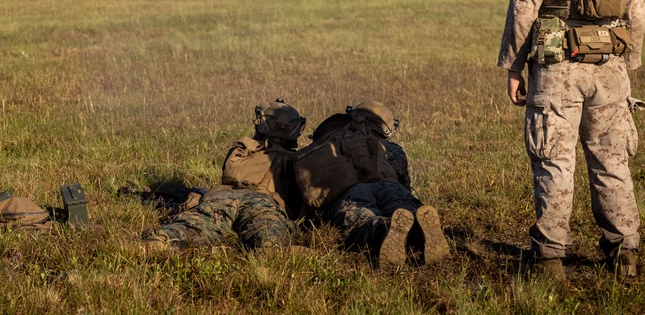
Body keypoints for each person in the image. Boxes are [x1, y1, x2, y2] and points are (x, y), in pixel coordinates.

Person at [498, 0, 645, 281]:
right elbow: (637, 12)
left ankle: (548, 259)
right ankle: (625, 254)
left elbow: (523, 12)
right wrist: (628, 62)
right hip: (611, 67)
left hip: (557, 69)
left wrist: (513, 67)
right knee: (612, 160)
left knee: (553, 160)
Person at [294, 101, 450, 268]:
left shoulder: (329, 144)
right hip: (391, 188)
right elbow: (407, 187)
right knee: (403, 206)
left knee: (363, 222)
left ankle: (384, 229)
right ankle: (419, 227)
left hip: (352, 194)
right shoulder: (392, 150)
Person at [142, 99, 305, 251]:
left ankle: (159, 241)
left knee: (191, 225)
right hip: (264, 203)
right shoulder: (300, 161)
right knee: (270, 242)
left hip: (223, 197)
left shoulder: (243, 149)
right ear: (295, 130)